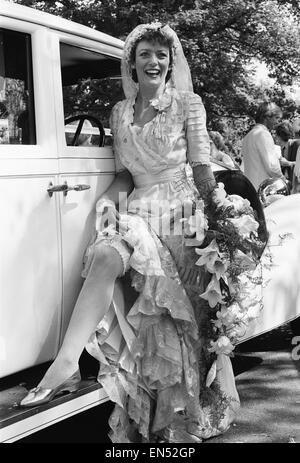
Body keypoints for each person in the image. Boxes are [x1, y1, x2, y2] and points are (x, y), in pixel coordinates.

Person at [19, 23, 241, 443]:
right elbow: (124, 173)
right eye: (145, 55)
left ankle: (170, 417)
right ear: (132, 63)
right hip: (136, 208)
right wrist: (106, 198)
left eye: (161, 54)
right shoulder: (120, 112)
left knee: (174, 328)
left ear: (170, 61)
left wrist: (223, 218)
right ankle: (66, 362)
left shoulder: (188, 104)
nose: (153, 61)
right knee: (105, 255)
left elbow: (201, 167)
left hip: (180, 215)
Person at [241, 102, 284, 190]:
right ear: (267, 116)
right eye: (276, 118)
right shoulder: (263, 134)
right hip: (263, 189)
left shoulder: (248, 136)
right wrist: (283, 180)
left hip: (249, 187)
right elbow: (272, 166)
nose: (277, 122)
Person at [275, 121, 297, 187]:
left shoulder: (297, 144)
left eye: (276, 135)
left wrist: (288, 163)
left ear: (279, 136)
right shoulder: (281, 149)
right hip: (289, 184)